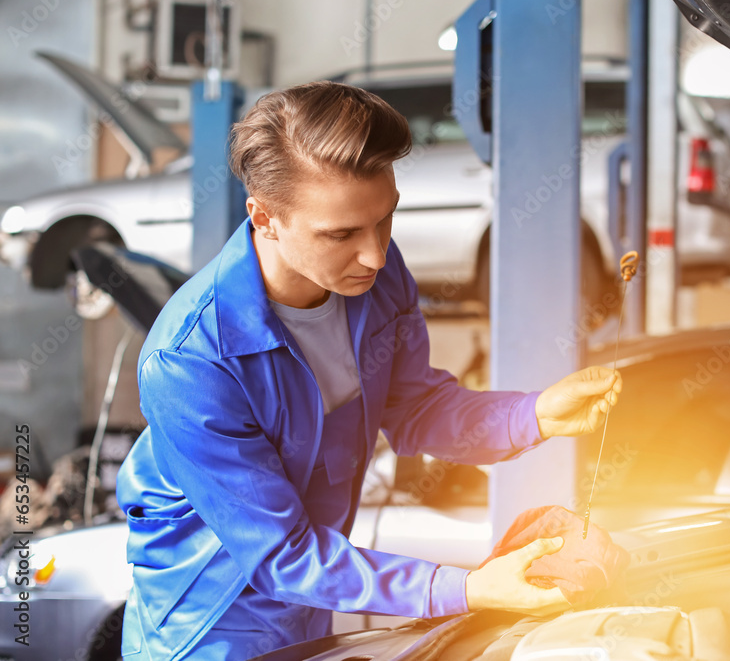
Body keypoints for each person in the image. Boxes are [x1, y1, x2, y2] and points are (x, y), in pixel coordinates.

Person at [116, 81, 622, 660]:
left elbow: (415, 409)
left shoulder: (375, 278)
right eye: (342, 234)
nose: (376, 255)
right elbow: (283, 556)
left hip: (314, 601)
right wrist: (463, 589)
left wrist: (534, 414)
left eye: (385, 221)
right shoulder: (191, 360)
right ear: (265, 217)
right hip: (208, 626)